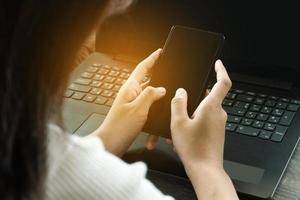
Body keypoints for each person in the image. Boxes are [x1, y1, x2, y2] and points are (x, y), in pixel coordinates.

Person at [0, 0, 239, 199]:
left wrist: (106, 138)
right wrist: (207, 167)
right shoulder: (118, 190)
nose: (93, 46)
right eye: (98, 21)